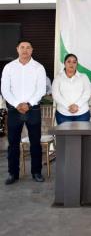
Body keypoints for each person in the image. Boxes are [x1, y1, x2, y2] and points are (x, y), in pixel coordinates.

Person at [1, 40, 46, 184]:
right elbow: (5, 89)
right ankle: (12, 174)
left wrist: (28, 104)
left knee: (35, 143)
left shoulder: (39, 68)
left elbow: (41, 89)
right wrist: (16, 104)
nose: (25, 50)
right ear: (17, 49)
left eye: (28, 48)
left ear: (32, 50)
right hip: (14, 110)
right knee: (13, 143)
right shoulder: (9, 67)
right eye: (22, 47)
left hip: (33, 109)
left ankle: (36, 172)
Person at [52, 54, 91, 124]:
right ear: (64, 63)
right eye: (69, 61)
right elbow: (56, 95)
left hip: (82, 114)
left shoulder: (83, 77)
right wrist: (68, 106)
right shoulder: (58, 77)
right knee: (64, 135)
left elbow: (87, 93)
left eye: (74, 62)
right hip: (63, 114)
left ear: (77, 64)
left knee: (82, 135)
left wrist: (77, 105)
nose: (71, 64)